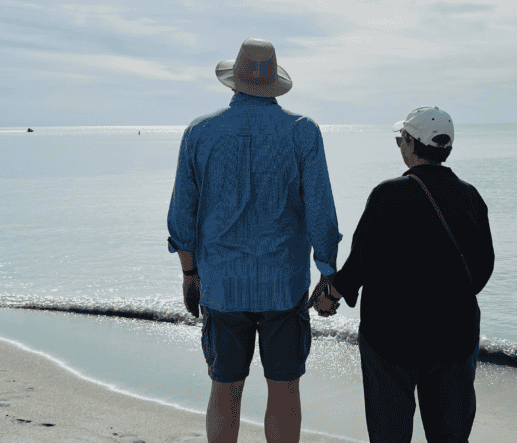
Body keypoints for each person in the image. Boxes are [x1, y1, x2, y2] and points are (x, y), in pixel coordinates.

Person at [167, 38, 342, 443]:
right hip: (284, 285)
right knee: (284, 388)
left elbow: (182, 216)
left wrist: (189, 273)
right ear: (274, 84)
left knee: (225, 389)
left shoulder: (199, 132)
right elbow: (321, 214)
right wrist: (327, 273)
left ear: (233, 84)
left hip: (222, 285)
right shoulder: (303, 132)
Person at [327, 107, 495, 443]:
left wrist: (331, 294)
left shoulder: (388, 194)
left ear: (410, 142)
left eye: (399, 140)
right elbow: (483, 268)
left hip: (390, 337)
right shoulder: (470, 196)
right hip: (454, 335)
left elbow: (360, 262)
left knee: (389, 433)